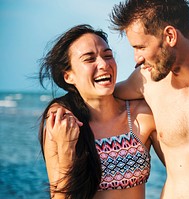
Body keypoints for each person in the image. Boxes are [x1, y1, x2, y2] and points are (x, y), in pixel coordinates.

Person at [38, 24, 164, 199]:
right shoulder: (61, 126)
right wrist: (67, 149)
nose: (104, 64)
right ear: (68, 76)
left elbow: (181, 171)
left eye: (108, 55)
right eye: (89, 59)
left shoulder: (143, 115)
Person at [109, 0, 189, 198]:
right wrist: (63, 106)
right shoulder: (147, 81)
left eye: (140, 47)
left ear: (170, 36)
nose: (137, 58)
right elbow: (102, 96)